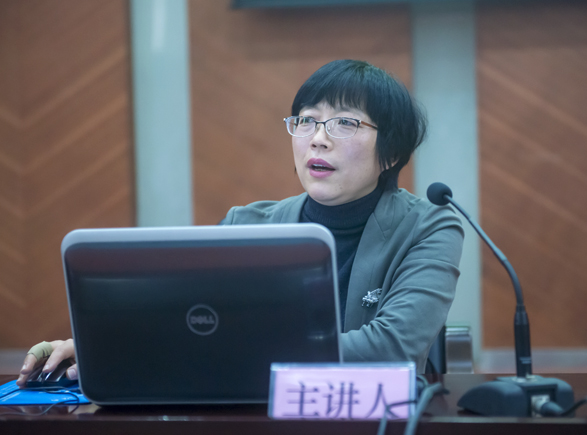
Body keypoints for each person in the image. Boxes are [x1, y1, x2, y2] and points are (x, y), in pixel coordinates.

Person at [17, 59, 463, 387]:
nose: (318, 138)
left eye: (345, 123)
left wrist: (239, 348)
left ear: (391, 153)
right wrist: (101, 346)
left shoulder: (429, 227)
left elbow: (391, 347)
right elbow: (188, 321)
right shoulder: (244, 224)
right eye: (307, 120)